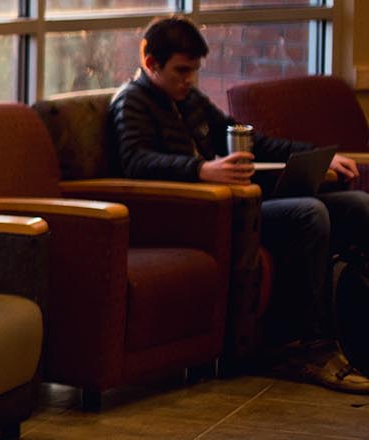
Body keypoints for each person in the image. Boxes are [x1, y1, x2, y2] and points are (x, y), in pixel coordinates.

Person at [108, 15, 369, 394]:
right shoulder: (131, 103)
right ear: (151, 63)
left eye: (195, 71)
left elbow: (253, 142)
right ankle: (305, 347)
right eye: (182, 71)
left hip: (237, 203)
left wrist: (317, 156)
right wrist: (202, 170)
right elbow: (136, 161)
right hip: (200, 216)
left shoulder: (189, 100)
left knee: (357, 204)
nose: (190, 81)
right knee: (308, 214)